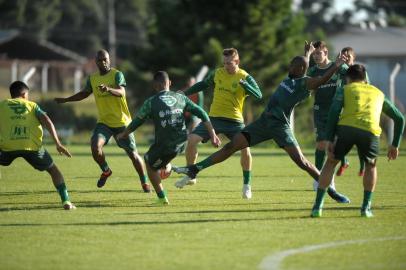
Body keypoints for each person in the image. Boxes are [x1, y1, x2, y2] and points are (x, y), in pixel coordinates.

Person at [173, 42, 351, 204]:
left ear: (300, 70)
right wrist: (307, 52)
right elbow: (303, 62)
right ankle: (194, 169)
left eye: (293, 66)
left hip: (280, 127)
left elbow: (321, 80)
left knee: (302, 162)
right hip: (264, 122)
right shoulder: (290, 78)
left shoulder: (305, 83)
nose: (290, 67)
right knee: (231, 147)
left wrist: (335, 66)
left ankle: (332, 192)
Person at [311, 64, 405, 218]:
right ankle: (366, 208)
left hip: (346, 129)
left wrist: (328, 139)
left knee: (330, 163)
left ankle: (317, 207)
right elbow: (400, 118)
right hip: (370, 132)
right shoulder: (378, 93)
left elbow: (334, 112)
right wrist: (395, 144)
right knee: (371, 166)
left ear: (347, 78)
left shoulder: (345, 89)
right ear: (364, 79)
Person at [116, 71, 220, 205]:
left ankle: (162, 198)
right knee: (160, 161)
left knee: (149, 162)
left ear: (155, 86)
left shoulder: (151, 102)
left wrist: (123, 134)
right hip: (182, 142)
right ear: (169, 83)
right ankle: (167, 167)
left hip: (165, 145)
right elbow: (202, 113)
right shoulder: (180, 97)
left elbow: (137, 121)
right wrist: (213, 135)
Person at [55, 50, 150, 192]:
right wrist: (66, 99)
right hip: (104, 123)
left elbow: (121, 92)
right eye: (100, 60)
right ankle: (106, 171)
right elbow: (84, 93)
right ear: (96, 62)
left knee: (133, 155)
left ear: (109, 59)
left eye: (105, 59)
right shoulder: (93, 79)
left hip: (122, 122)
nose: (103, 62)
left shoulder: (117, 74)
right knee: (95, 146)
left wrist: (108, 89)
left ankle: (145, 182)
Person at [176, 48, 263, 199]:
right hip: (214, 118)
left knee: (245, 150)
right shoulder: (218, 73)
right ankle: (191, 174)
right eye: (224, 63)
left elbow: (259, 95)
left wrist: (246, 86)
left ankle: (246, 185)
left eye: (229, 63)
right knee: (191, 140)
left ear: (237, 62)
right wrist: (186, 93)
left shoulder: (244, 76)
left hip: (235, 122)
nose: (226, 66)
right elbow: (203, 84)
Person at [0, 81, 75, 210]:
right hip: (32, 147)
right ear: (24, 94)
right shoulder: (32, 106)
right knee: (53, 170)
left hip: (7, 146)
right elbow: (47, 120)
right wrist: (58, 143)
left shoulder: (2, 105)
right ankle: (66, 201)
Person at [307, 41, 349, 191]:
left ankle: (329, 178)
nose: (316, 56)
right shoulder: (312, 71)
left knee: (334, 147)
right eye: (314, 54)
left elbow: (353, 75)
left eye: (319, 53)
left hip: (337, 112)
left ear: (326, 53)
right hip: (320, 112)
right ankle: (318, 177)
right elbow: (302, 78)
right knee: (321, 144)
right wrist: (307, 55)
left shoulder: (337, 66)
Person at [339, 47, 370, 177]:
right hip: (343, 108)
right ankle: (343, 162)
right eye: (344, 57)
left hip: (358, 110)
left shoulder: (359, 72)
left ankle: (363, 167)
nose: (346, 59)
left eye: (348, 57)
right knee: (339, 139)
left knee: (360, 141)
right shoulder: (340, 70)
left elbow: (368, 85)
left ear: (353, 58)